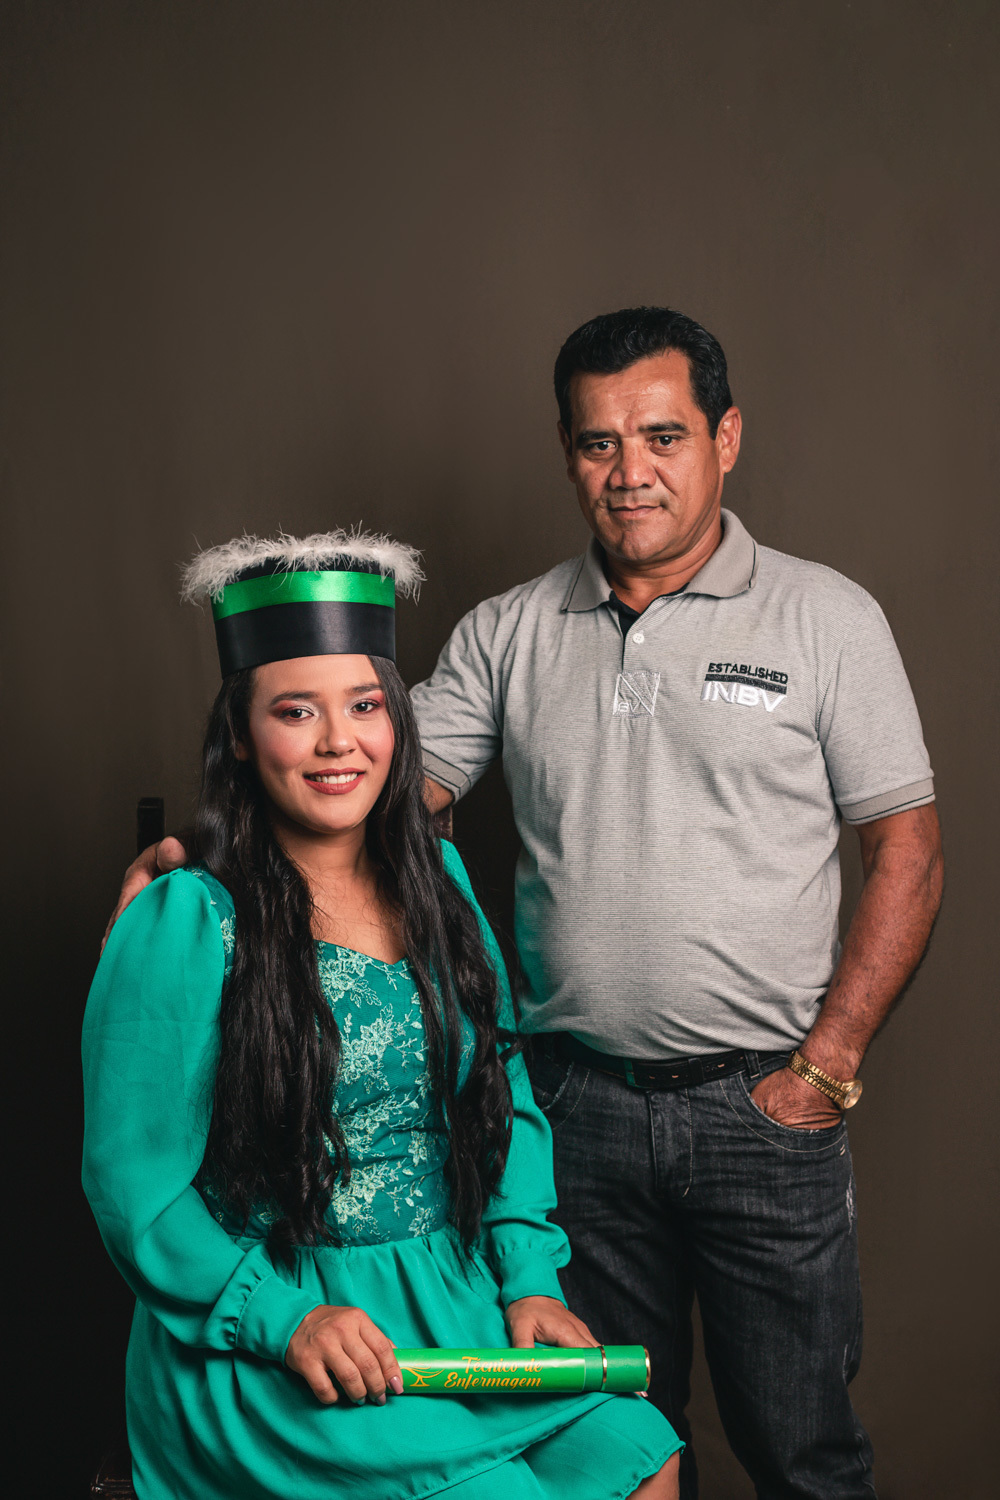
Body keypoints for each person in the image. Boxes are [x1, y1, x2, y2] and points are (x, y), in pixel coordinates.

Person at [110, 306, 944, 1499]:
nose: (629, 470)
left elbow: (907, 847)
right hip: (574, 1111)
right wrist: (200, 862)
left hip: (761, 1107)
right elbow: (365, 781)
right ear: (568, 453)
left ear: (726, 437)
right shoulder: (508, 632)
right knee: (633, 1435)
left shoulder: (827, 617)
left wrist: (825, 1068)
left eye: (661, 435)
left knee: (799, 1446)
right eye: (598, 442)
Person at [83, 530, 682, 1500]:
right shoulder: (187, 917)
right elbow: (133, 1188)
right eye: (295, 711)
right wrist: (282, 1320)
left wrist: (528, 1276)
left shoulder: (437, 879)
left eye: (364, 706)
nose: (338, 742)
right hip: (277, 1332)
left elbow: (500, 1091)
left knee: (642, 1450)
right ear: (240, 735)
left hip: (448, 1304)